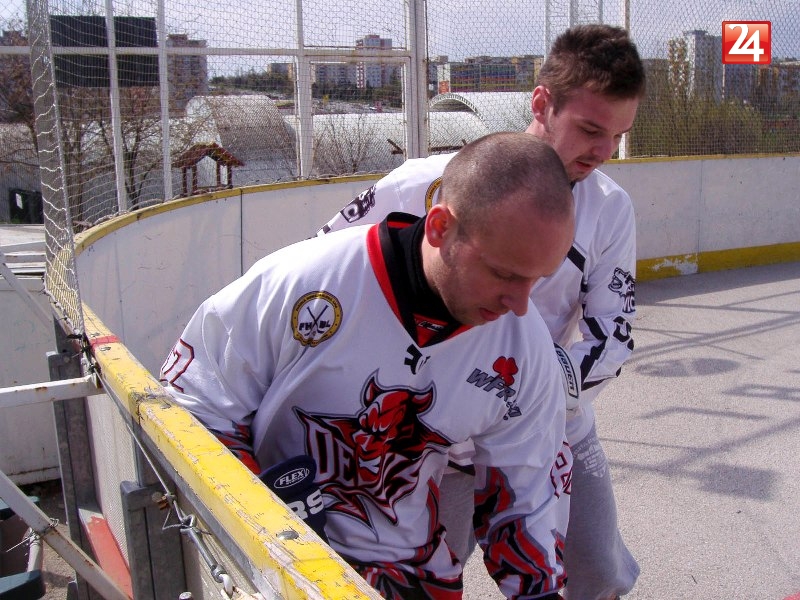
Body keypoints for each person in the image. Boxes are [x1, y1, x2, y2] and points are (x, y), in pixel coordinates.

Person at [160, 132, 576, 600]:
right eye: (504, 273)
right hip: (277, 567)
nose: (520, 304)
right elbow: (196, 402)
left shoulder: (525, 347)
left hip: (411, 577)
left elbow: (528, 500)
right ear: (440, 227)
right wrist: (267, 534)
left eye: (537, 279)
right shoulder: (304, 280)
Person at [315, 23, 645, 600]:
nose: (603, 153)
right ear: (541, 104)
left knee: (599, 575)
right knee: (408, 587)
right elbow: (326, 266)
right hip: (426, 443)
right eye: (591, 129)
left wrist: (530, 394)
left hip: (551, 430)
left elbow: (611, 335)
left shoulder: (610, 209)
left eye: (618, 136)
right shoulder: (425, 184)